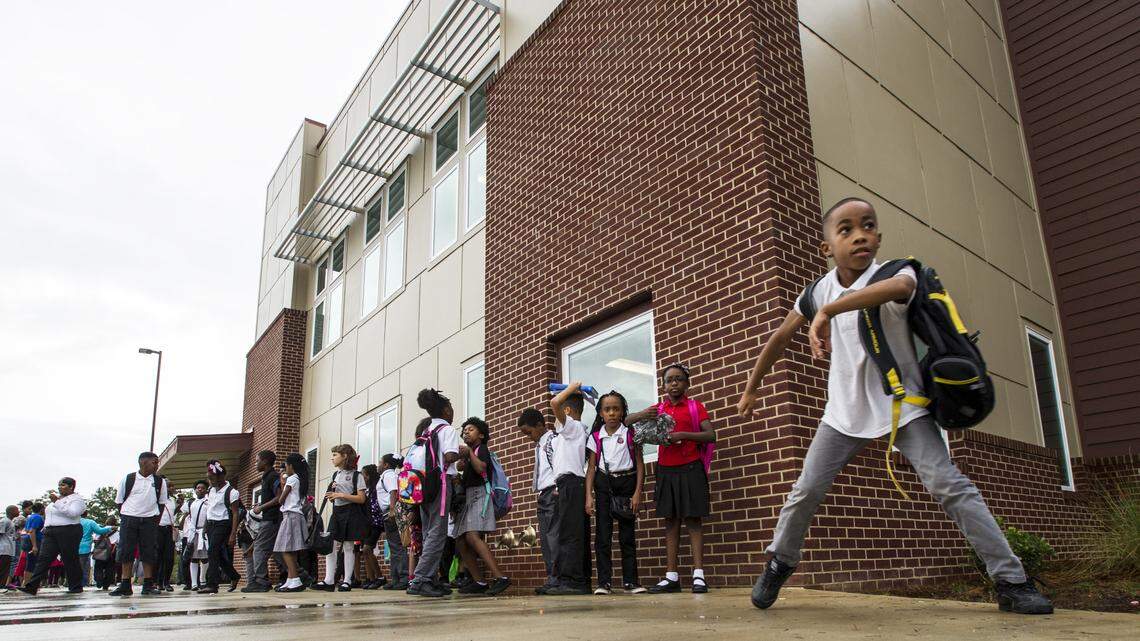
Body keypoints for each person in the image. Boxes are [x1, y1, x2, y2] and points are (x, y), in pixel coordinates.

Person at [737, 197, 1054, 615]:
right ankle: (781, 560)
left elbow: (902, 289)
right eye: (845, 229)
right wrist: (752, 386)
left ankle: (1012, 581)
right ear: (827, 247)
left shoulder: (894, 272)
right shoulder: (816, 291)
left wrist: (831, 311)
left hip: (904, 409)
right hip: (842, 416)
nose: (859, 235)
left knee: (951, 486)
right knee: (805, 491)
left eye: (867, 226)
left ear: (879, 236)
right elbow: (778, 338)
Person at [625, 364, 716, 594]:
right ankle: (671, 576)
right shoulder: (659, 409)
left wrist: (683, 435)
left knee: (693, 520)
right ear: (664, 385)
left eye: (678, 379)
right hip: (666, 470)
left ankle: (699, 576)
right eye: (669, 380)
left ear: (687, 383)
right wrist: (643, 414)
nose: (674, 384)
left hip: (691, 468)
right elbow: (627, 422)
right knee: (671, 521)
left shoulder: (695, 407)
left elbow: (710, 435)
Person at [585, 391, 645, 595]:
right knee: (603, 536)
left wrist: (637, 493)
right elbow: (591, 467)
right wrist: (589, 495)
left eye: (616, 409)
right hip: (604, 485)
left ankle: (631, 581)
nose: (611, 413)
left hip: (627, 484)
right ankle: (604, 582)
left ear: (622, 412)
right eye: (607, 409)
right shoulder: (595, 437)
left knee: (627, 536)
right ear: (601, 413)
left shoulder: (631, 433)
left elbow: (639, 464)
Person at [406, 389, 461, 598]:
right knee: (438, 532)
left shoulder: (426, 429)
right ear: (446, 410)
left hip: (422, 486)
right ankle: (421, 580)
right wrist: (460, 451)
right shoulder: (447, 429)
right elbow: (448, 456)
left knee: (429, 531)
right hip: (440, 484)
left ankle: (432, 578)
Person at [452, 417, 511, 596]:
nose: (466, 432)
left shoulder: (481, 449)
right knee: (460, 540)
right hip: (469, 497)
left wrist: (469, 453)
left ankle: (501, 577)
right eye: (464, 431)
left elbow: (481, 469)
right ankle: (479, 580)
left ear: (482, 434)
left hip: (480, 495)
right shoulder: (471, 453)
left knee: (472, 536)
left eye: (471, 429)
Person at [545, 382, 593, 595]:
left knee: (570, 535)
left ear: (567, 411)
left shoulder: (572, 426)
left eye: (559, 412)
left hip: (572, 484)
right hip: (569, 484)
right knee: (574, 532)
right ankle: (579, 580)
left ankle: (572, 581)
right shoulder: (570, 433)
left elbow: (554, 402)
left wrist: (574, 387)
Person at [111, 451, 169, 596]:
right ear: (143, 462)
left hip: (149, 520)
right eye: (154, 462)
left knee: (149, 551)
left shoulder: (159, 482)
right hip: (129, 518)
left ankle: (148, 584)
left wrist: (155, 520)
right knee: (126, 551)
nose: (157, 465)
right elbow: (119, 502)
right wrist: (127, 516)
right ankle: (125, 584)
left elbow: (161, 504)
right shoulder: (129, 479)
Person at [312, 444, 369, 592]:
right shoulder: (335, 475)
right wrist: (332, 496)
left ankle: (347, 581)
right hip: (337, 511)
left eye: (335, 455)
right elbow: (335, 495)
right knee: (330, 544)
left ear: (345, 456)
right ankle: (329, 580)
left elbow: (361, 498)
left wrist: (341, 495)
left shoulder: (357, 475)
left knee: (349, 546)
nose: (332, 458)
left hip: (351, 512)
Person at [17, 477, 87, 595]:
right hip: (51, 531)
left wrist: (57, 502)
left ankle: (75, 586)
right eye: (59, 485)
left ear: (71, 487)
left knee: (70, 558)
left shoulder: (77, 499)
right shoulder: (58, 499)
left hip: (68, 530)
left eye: (63, 485)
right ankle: (32, 586)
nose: (60, 487)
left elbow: (73, 513)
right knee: (44, 558)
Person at [519, 408, 561, 594]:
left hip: (553, 491)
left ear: (540, 425)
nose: (529, 437)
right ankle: (551, 577)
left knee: (553, 537)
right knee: (545, 538)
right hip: (543, 493)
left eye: (529, 432)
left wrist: (558, 486)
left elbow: (559, 464)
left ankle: (557, 578)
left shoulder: (553, 439)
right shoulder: (539, 445)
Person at [266, 453, 310, 592]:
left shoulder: (291, 479)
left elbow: (280, 500)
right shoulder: (300, 479)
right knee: (291, 550)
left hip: (290, 515)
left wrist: (283, 482)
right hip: (295, 515)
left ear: (291, 466)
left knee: (284, 549)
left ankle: (295, 580)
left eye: (285, 465)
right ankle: (290, 580)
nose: (284, 469)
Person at [243, 450, 285, 593]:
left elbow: (279, 497)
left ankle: (261, 581)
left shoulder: (272, 476)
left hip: (271, 519)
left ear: (265, 461)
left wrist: (261, 507)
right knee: (277, 551)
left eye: (257, 461)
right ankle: (298, 576)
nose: (255, 463)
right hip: (271, 519)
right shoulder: (266, 477)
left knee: (259, 549)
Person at [199, 460, 243, 594]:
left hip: (223, 524)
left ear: (221, 477)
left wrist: (233, 533)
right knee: (216, 553)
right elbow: (210, 510)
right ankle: (234, 576)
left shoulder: (232, 492)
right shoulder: (211, 490)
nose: (210, 481)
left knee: (212, 551)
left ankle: (212, 584)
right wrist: (205, 527)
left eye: (212, 478)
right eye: (209, 478)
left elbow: (235, 513)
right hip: (211, 525)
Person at [379, 453, 408, 590]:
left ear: (385, 465)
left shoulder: (389, 475)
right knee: (394, 547)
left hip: (392, 513)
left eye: (380, 462)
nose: (378, 465)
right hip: (388, 514)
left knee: (397, 547)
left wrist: (392, 510)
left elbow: (393, 492)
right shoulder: (388, 475)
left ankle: (403, 578)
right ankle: (396, 579)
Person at [359, 464, 387, 589]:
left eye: (363, 475)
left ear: (369, 476)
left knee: (367, 549)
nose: (362, 478)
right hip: (366, 524)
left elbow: (376, 506)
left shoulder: (375, 489)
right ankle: (371, 579)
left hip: (376, 523)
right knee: (364, 552)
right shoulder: (366, 490)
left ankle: (380, 577)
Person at [180, 481, 209, 590]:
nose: (200, 489)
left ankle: (202, 579)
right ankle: (194, 584)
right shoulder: (191, 502)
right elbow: (187, 516)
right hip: (193, 532)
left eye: (202, 488)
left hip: (204, 532)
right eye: (197, 488)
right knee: (193, 558)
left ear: (206, 490)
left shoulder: (208, 502)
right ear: (195, 490)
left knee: (205, 557)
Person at [78, 511, 114, 587]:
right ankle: (83, 583)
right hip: (85, 548)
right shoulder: (90, 522)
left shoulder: (74, 522)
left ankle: (73, 582)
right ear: (86, 514)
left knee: (75, 565)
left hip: (73, 546)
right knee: (84, 567)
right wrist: (110, 527)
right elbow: (100, 531)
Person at [156, 486, 177, 591]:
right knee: (158, 556)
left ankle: (166, 582)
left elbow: (172, 514)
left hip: (169, 529)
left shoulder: (172, 500)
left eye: (172, 486)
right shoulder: (156, 498)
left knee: (169, 557)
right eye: (168, 486)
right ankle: (158, 582)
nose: (171, 488)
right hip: (158, 528)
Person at [22, 502, 44, 588]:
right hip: (33, 541)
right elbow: (32, 531)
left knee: (31, 562)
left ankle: (27, 583)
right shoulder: (37, 517)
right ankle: (27, 583)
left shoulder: (30, 517)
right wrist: (34, 545)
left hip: (28, 540)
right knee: (32, 562)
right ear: (41, 509)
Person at [0, 505, 18, 592]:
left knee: (6, 568)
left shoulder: (11, 522)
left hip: (9, 549)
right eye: (17, 510)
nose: (18, 511)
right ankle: (1, 585)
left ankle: (3, 585)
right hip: (3, 549)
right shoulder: (4, 521)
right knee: (2, 568)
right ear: (12, 511)